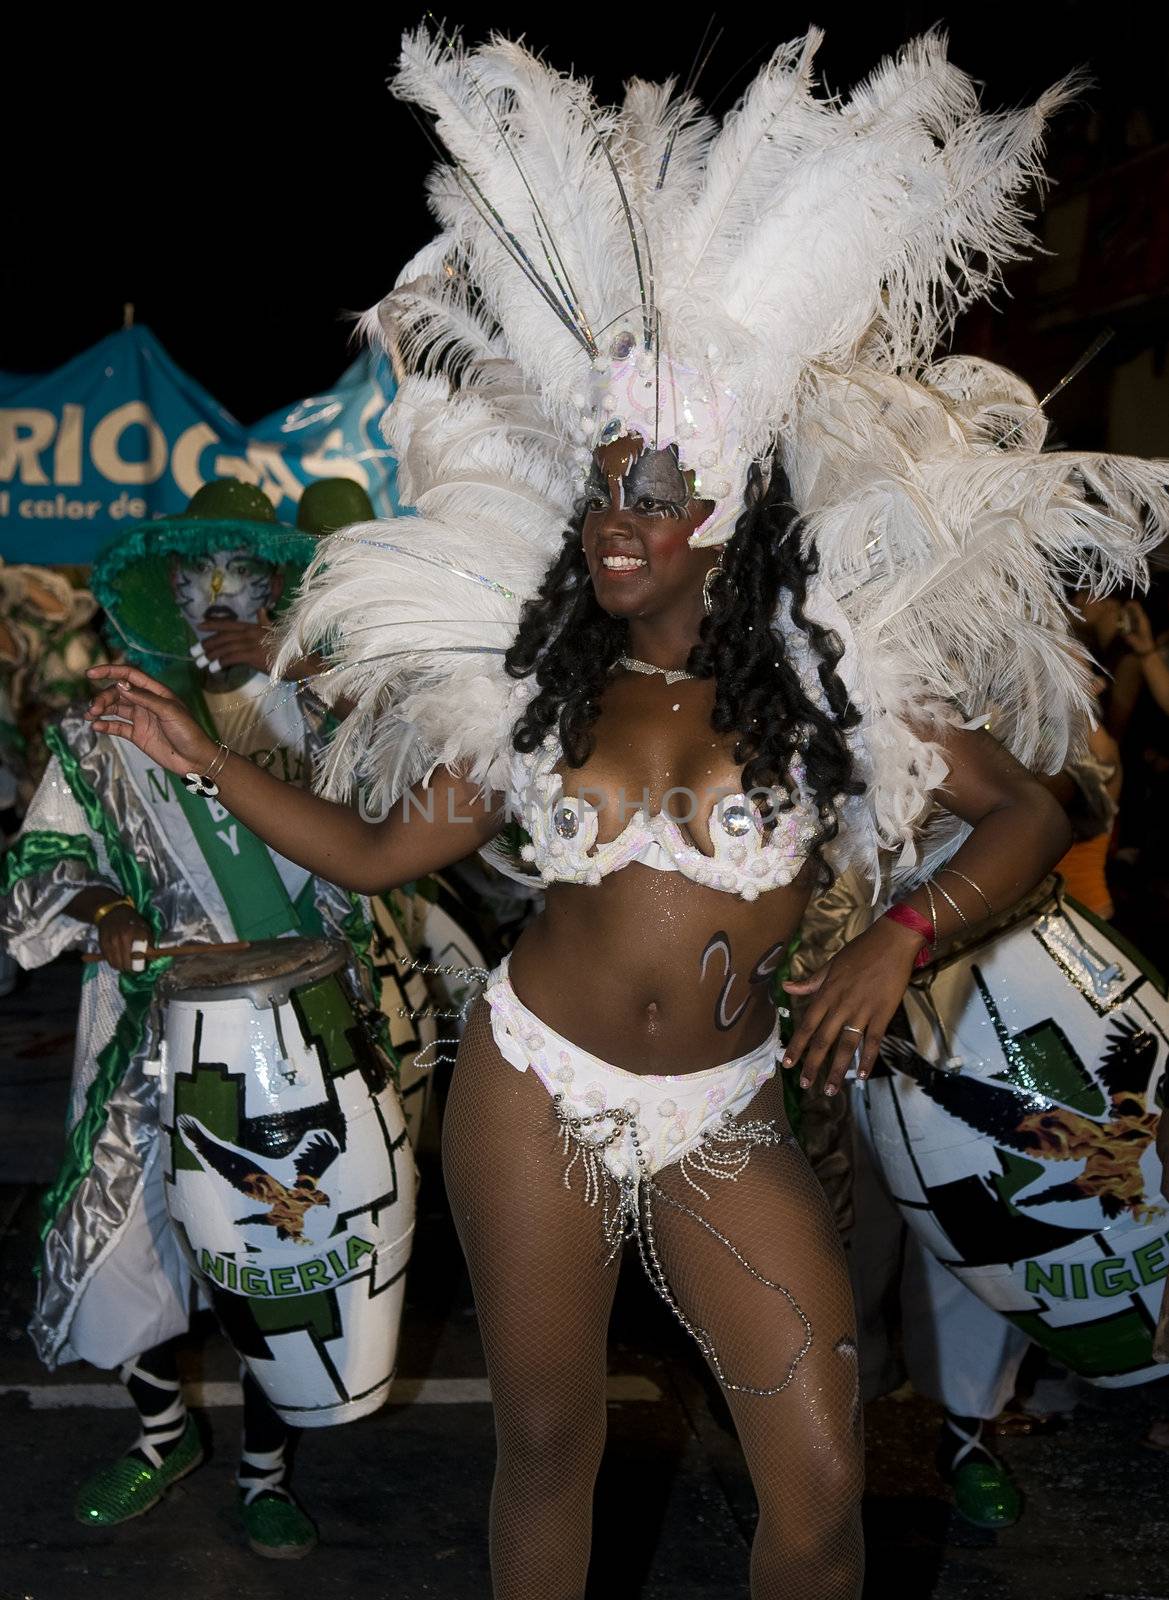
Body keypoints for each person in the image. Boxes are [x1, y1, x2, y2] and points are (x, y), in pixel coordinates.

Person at [83, 30, 1167, 1600]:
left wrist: (902, 940)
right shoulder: (543, 686)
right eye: (601, 490)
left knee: (819, 1480)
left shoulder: (824, 675)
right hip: (533, 1092)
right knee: (552, 1450)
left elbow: (1023, 808)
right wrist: (197, 754)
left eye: (647, 495)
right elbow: (385, 852)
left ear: (719, 509)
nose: (612, 521)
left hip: (726, 1112)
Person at [0, 477, 413, 1559]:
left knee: (291, 1250)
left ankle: (267, 1470)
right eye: (198, 584)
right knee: (122, 1255)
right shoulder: (115, 722)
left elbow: (419, 803)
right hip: (151, 1037)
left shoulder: (327, 709)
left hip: (306, 1031)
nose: (220, 604)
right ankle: (161, 1434)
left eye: (246, 582)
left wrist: (310, 663)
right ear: (165, 593)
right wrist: (107, 913)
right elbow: (43, 859)